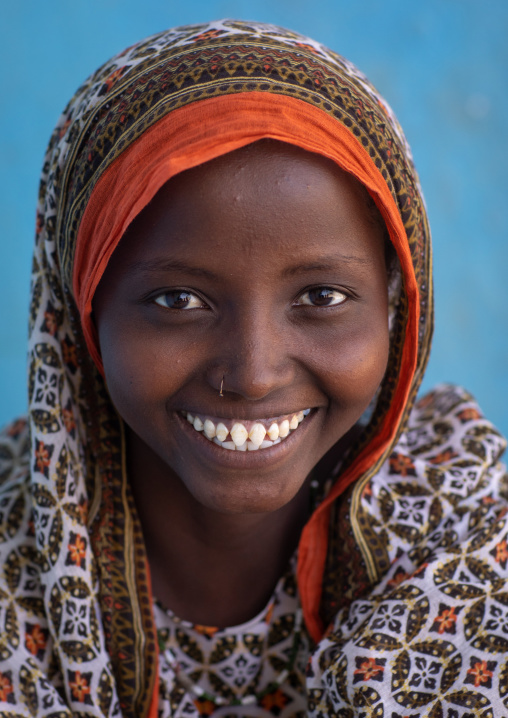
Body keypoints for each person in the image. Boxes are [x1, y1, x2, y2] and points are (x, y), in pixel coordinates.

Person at [0, 18, 506, 718]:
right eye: (178, 300)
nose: (255, 373)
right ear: (81, 312)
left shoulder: (470, 526)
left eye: (322, 297)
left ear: (396, 305)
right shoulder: (13, 559)